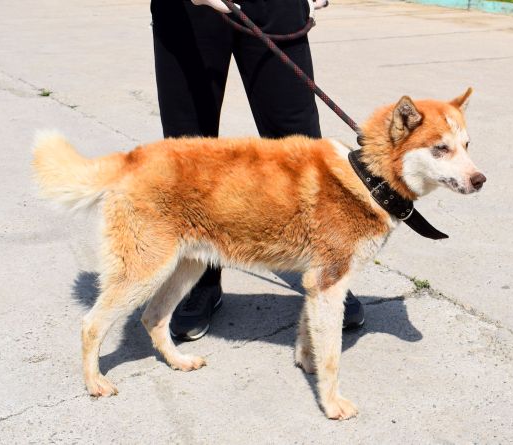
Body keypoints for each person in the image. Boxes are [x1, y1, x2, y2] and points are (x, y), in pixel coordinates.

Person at [151, 0, 365, 341]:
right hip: (187, 15)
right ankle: (200, 279)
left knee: (299, 141)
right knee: (189, 147)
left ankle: (326, 269)